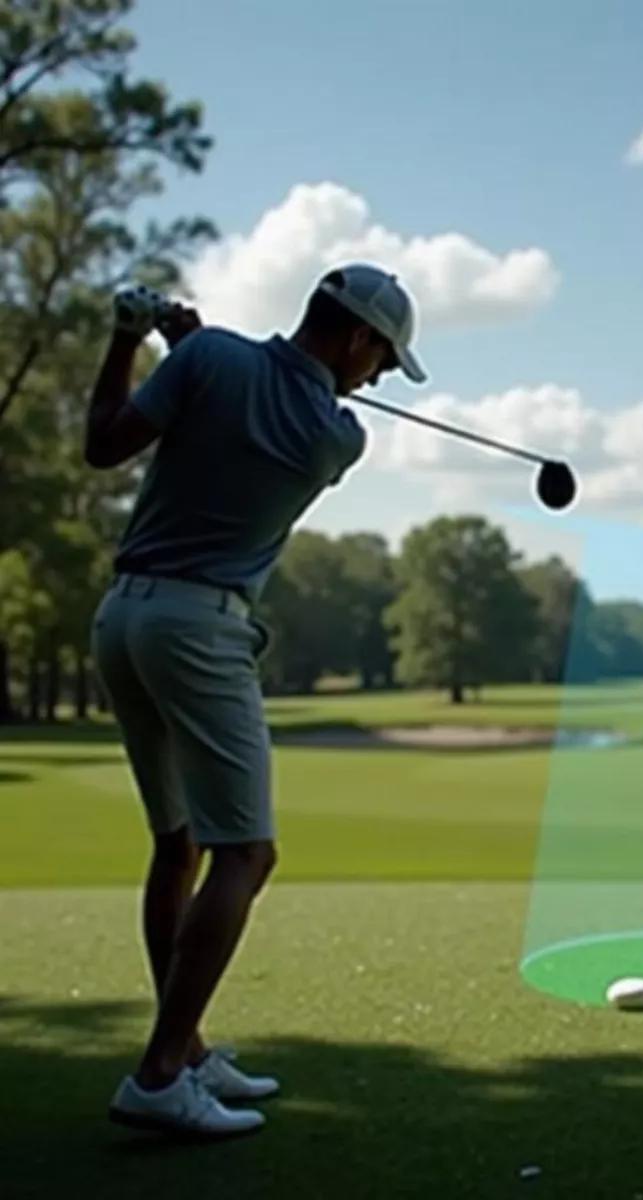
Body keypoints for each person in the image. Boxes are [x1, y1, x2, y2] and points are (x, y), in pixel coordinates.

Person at [84, 264, 428, 1139]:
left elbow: (105, 443)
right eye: (384, 356)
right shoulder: (336, 435)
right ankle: (160, 1075)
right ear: (356, 338)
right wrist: (193, 347)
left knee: (178, 843)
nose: (381, 377)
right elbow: (260, 401)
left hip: (123, 618)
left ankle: (186, 1045)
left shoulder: (212, 363)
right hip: (203, 630)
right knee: (246, 854)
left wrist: (137, 339)